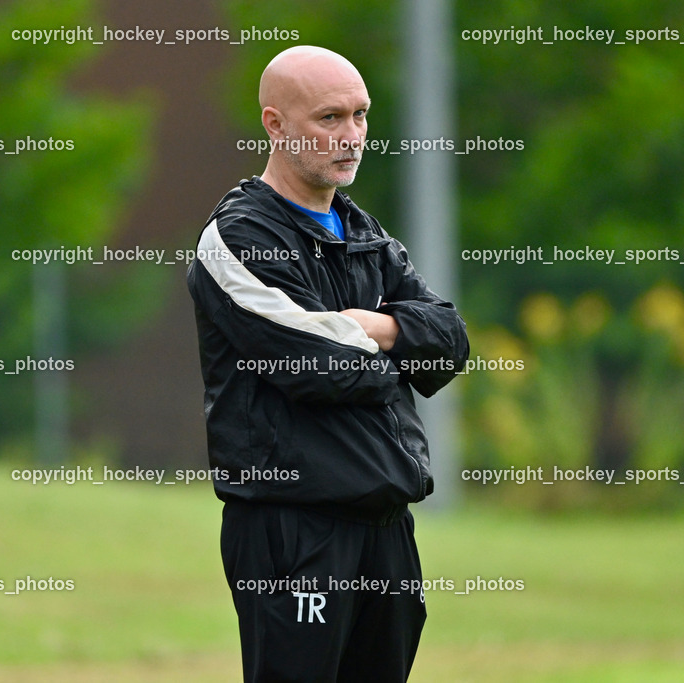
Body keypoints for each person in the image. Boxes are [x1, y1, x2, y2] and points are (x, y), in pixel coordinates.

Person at [186, 45, 469, 682]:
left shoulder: (363, 231)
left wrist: (376, 328)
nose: (352, 135)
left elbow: (451, 341)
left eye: (360, 115)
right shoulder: (239, 237)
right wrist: (399, 346)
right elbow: (322, 369)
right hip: (294, 527)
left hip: (386, 527)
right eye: (329, 118)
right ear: (275, 124)